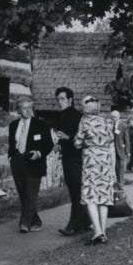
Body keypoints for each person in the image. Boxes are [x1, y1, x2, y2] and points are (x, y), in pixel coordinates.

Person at [73, 95, 116, 244]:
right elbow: (112, 147)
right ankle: (103, 232)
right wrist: (113, 169)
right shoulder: (107, 122)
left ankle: (97, 232)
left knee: (91, 197)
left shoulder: (84, 121)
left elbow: (77, 143)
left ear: (86, 108)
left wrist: (82, 141)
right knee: (103, 198)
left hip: (91, 162)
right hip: (106, 162)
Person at [7, 96, 53, 233]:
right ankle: (36, 221)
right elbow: (12, 143)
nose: (27, 111)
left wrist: (39, 153)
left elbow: (49, 144)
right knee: (23, 193)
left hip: (34, 161)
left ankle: (25, 223)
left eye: (29, 108)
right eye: (24, 108)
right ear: (18, 111)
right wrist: (11, 156)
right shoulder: (13, 125)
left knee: (31, 193)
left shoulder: (41, 124)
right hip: (17, 161)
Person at [53, 87, 90, 236]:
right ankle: (84, 224)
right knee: (76, 192)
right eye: (58, 99)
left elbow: (80, 139)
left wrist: (66, 138)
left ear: (70, 100)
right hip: (68, 158)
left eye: (62, 99)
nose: (59, 102)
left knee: (76, 193)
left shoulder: (77, 116)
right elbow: (65, 137)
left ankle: (72, 226)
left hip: (77, 159)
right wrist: (59, 145)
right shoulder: (62, 115)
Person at [110, 109, 130, 189]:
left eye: (114, 117)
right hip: (112, 149)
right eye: (111, 117)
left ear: (118, 117)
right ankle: (115, 182)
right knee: (114, 167)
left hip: (120, 149)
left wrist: (128, 151)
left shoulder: (123, 125)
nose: (113, 118)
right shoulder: (110, 124)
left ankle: (120, 182)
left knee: (121, 167)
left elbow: (127, 139)